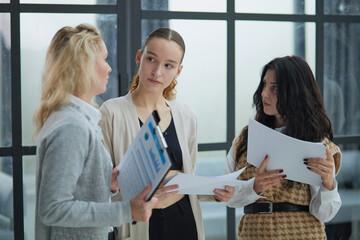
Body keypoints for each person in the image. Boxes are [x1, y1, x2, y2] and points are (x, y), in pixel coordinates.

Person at [33, 24, 177, 240]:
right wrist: (127, 211)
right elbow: (53, 208)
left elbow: (75, 189)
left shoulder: (76, 119)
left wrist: (104, 183)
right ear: (84, 65)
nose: (109, 68)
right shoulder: (72, 126)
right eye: (104, 58)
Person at [99, 27, 234, 240]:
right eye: (151, 59)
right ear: (139, 57)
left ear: (178, 71)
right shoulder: (110, 113)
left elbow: (188, 180)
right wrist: (113, 185)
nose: (157, 72)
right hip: (139, 224)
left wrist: (216, 193)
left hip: (183, 219)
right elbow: (101, 187)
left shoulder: (186, 116)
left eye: (168, 65)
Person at [225, 56, 342, 239]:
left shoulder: (317, 144)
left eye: (275, 88)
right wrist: (254, 187)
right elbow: (228, 195)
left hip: (304, 234)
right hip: (253, 233)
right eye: (264, 84)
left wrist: (329, 185)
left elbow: (324, 214)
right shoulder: (245, 139)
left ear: (296, 92)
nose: (264, 93)